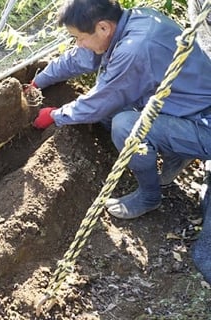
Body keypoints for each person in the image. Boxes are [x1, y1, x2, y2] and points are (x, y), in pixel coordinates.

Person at [25, 0, 211, 280]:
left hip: (203, 125)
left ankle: (149, 196)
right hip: (183, 109)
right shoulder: (125, 25)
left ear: (102, 27)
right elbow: (80, 58)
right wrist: (39, 81)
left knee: (125, 124)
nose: (79, 43)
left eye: (79, 37)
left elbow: (98, 103)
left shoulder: (136, 47)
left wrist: (54, 115)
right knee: (120, 113)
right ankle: (176, 153)